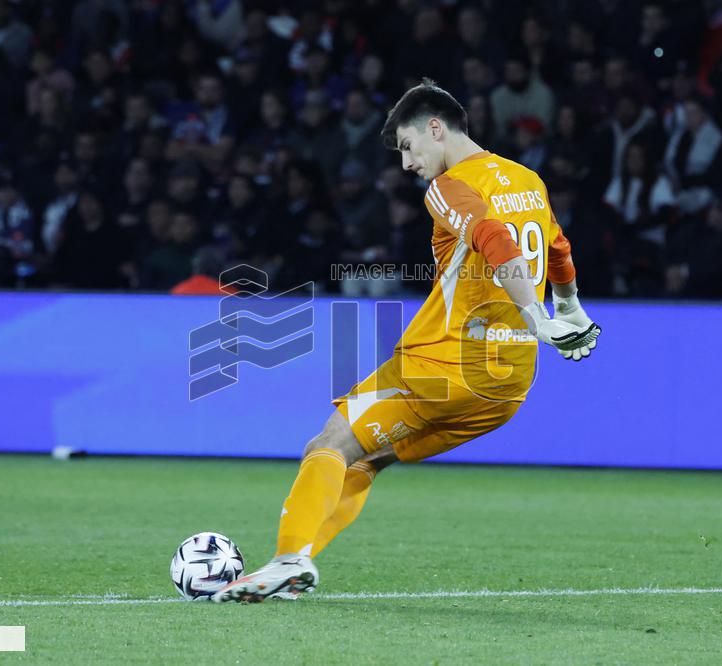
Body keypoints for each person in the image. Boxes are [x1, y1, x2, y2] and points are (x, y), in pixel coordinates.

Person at [213, 80, 601, 603]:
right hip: (506, 387)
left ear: (436, 128)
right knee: (364, 460)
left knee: (328, 446)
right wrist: (569, 306)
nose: (405, 163)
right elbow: (557, 247)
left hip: (446, 365)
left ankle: (289, 558)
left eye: (407, 146)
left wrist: (537, 315)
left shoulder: (450, 186)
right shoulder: (527, 178)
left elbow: (493, 240)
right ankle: (294, 566)